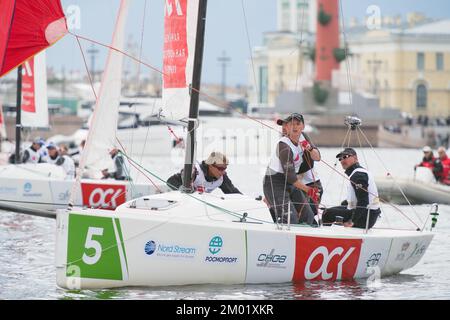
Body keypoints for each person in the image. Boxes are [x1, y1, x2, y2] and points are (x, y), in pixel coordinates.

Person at [263, 113, 318, 225]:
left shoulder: (304, 137)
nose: (295, 127)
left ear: (303, 126)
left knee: (309, 218)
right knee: (291, 220)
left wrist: (310, 148)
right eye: (291, 124)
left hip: (290, 184)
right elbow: (291, 178)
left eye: (298, 124)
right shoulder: (284, 147)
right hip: (274, 184)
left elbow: (318, 158)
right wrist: (309, 190)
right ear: (286, 128)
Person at [322, 148, 381, 229]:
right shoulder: (359, 172)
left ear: (355, 158)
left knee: (327, 213)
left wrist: (352, 221)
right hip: (369, 213)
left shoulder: (358, 175)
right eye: (340, 159)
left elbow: (363, 201)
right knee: (343, 204)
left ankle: (326, 237)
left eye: (346, 156)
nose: (342, 160)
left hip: (366, 217)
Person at [167, 151, 241, 194]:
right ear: (210, 166)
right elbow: (170, 181)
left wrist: (248, 201)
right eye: (220, 168)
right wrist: (181, 188)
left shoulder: (221, 177)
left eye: (225, 168)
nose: (223, 172)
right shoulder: (195, 172)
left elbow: (233, 193)